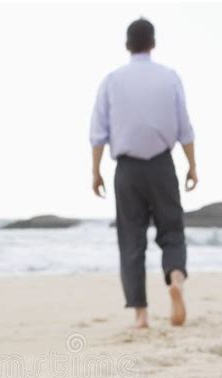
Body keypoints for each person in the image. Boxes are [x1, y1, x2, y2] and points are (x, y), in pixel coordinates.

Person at [90, 18, 197, 328]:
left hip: (127, 169)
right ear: (153, 44)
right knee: (172, 231)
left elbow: (98, 132)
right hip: (162, 164)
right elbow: (185, 129)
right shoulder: (170, 78)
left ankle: (141, 314)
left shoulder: (112, 80)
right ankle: (175, 278)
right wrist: (192, 166)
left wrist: (95, 171)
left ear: (127, 45)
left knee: (131, 240)